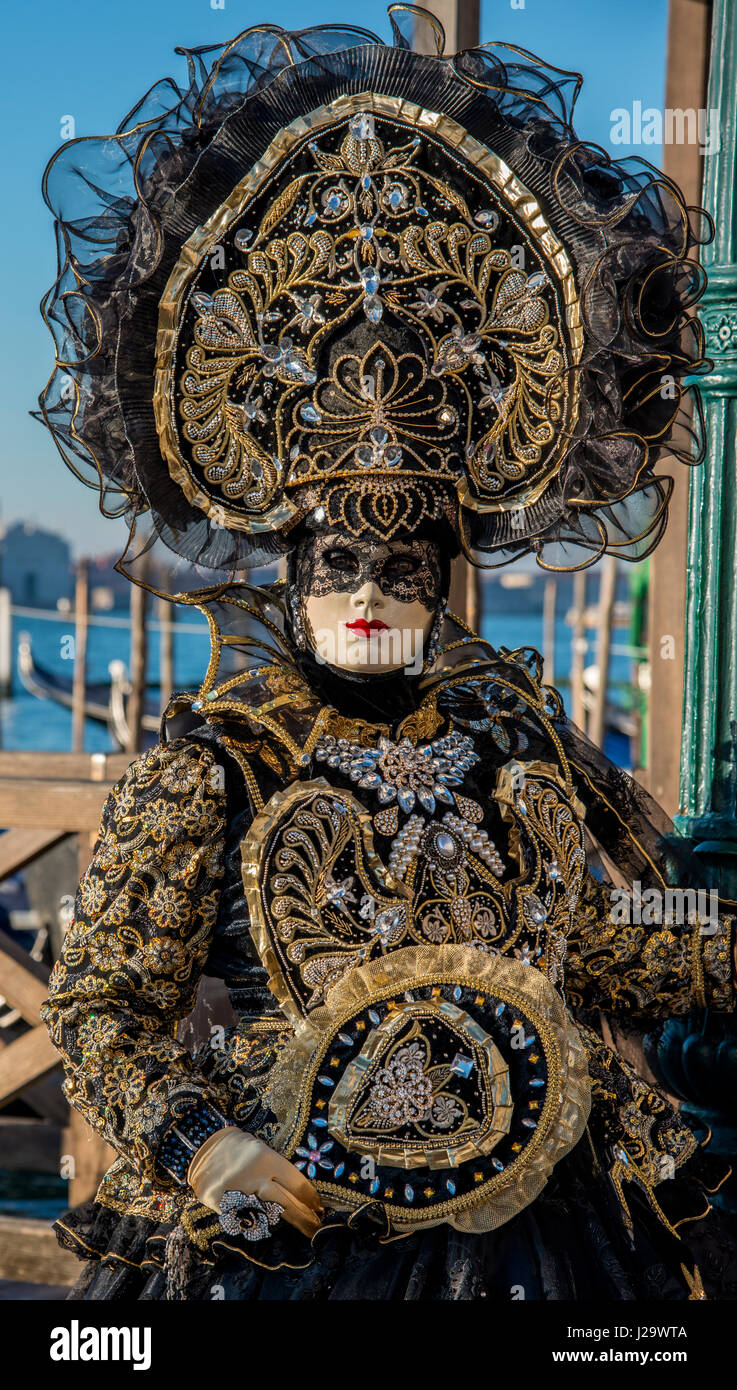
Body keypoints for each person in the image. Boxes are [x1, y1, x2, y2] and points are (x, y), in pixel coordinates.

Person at [37, 8, 737, 1300]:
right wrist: (208, 1146)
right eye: (336, 562)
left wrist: (718, 936)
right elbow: (101, 1012)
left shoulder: (507, 739)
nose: (368, 590)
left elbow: (609, 942)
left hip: (537, 1230)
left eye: (403, 562)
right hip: (296, 1236)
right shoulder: (216, 771)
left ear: (446, 567)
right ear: (288, 565)